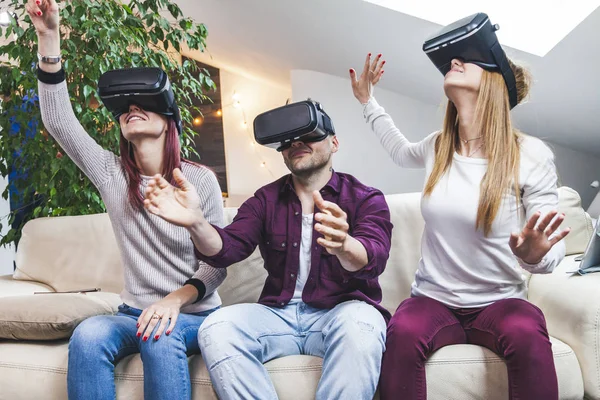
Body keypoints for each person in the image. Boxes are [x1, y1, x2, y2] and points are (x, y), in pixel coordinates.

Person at [26, 1, 226, 399]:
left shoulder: (199, 180)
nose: (132, 108)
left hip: (192, 315)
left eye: (143, 104)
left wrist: (172, 301)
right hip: (132, 313)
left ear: (169, 121)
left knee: (159, 336)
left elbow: (217, 267)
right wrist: (48, 36)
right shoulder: (110, 173)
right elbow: (59, 121)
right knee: (88, 335)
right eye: (125, 107)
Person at [349, 45, 570, 399]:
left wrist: (533, 255)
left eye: (468, 61)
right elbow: (399, 149)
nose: (453, 61)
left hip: (500, 301)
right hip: (433, 300)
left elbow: (550, 246)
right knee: (402, 331)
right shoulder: (438, 147)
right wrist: (367, 101)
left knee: (528, 330)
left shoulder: (530, 154)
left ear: (495, 84)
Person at [143, 100, 394, 399]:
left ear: (334, 142)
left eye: (309, 134)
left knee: (363, 325)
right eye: (288, 140)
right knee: (218, 327)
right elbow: (228, 249)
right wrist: (196, 223)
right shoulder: (265, 199)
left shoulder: (365, 198)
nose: (297, 143)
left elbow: (373, 257)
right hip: (278, 315)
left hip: (341, 313)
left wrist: (344, 245)